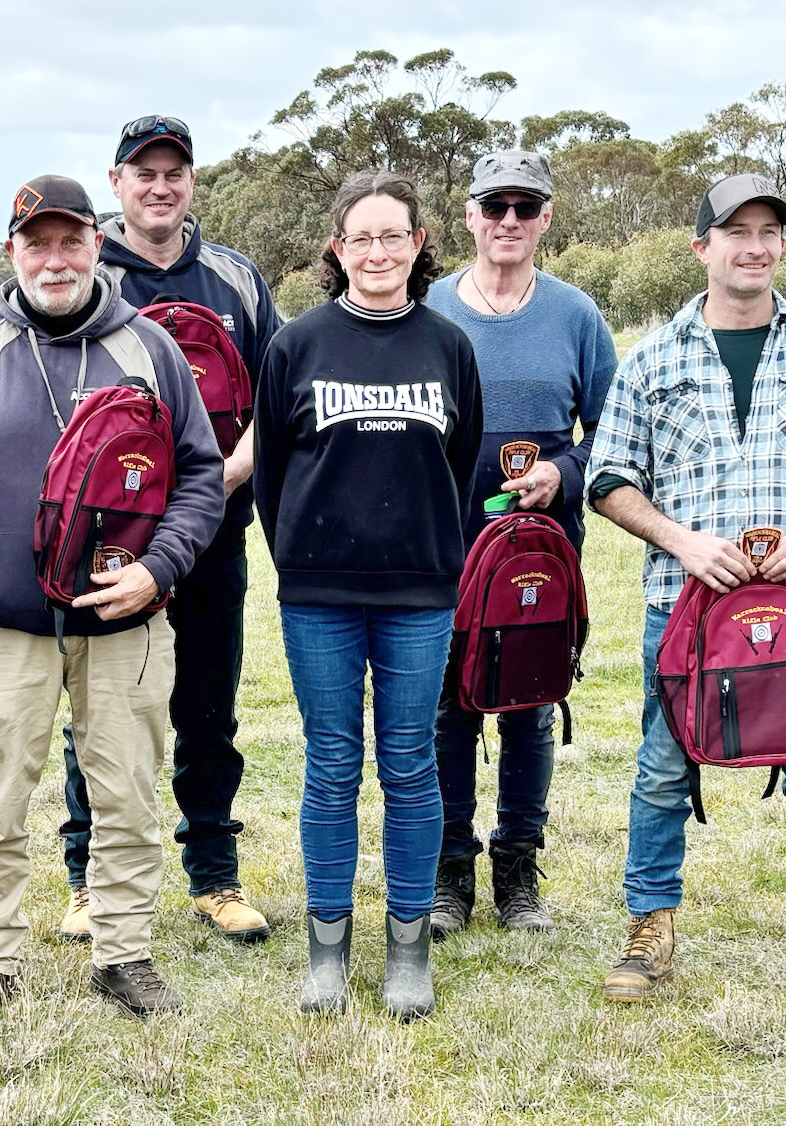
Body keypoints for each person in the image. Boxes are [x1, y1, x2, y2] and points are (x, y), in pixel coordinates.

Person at [0, 175, 225, 1023]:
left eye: (70, 240)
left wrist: (159, 569)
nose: (55, 258)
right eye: (36, 243)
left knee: (126, 791)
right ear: (11, 252)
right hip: (5, 624)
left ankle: (123, 953)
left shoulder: (149, 348)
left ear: (97, 242)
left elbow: (200, 474)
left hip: (124, 619)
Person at [586, 174, 786, 1007]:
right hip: (684, 608)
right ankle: (649, 930)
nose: (755, 245)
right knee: (660, 769)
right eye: (736, 231)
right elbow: (609, 478)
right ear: (702, 248)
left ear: (782, 246)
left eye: (769, 231)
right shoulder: (653, 358)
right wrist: (682, 541)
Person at [252, 171, 483, 1021]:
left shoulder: (449, 346)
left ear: (420, 246)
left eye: (395, 235)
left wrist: (427, 554)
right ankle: (327, 948)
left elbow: (457, 471)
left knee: (412, 764)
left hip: (419, 594)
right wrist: (303, 559)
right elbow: (273, 475)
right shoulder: (298, 345)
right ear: (337, 248)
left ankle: (408, 948)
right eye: (362, 237)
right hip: (317, 593)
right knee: (331, 765)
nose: (377, 251)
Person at [51, 115, 282, 944]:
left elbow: (276, 399)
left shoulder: (237, 279)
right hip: (110, 541)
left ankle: (214, 875)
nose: (159, 185)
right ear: (116, 184)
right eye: (141, 171)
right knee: (100, 712)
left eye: (173, 171)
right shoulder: (86, 271)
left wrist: (214, 482)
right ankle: (86, 878)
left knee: (208, 709)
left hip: (214, 531)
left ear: (190, 182)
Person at [423, 150, 617, 937]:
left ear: (544, 220)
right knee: (446, 710)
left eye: (524, 208)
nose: (509, 221)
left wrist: (564, 473)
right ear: (469, 215)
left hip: (538, 557)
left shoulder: (577, 316)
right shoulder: (426, 307)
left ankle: (518, 871)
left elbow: (614, 432)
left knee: (531, 708)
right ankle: (448, 873)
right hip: (442, 550)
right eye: (494, 206)